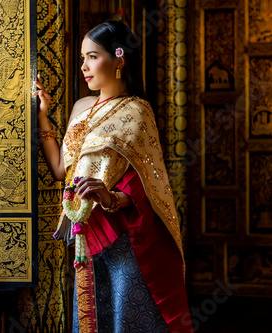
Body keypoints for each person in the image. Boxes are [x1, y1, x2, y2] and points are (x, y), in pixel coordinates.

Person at [33, 21, 193, 333]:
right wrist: (42, 115)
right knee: (95, 317)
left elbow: (150, 185)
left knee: (125, 320)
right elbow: (60, 170)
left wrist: (106, 197)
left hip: (122, 237)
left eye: (92, 57)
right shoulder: (81, 107)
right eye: (82, 58)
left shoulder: (137, 111)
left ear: (119, 58)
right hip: (85, 235)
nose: (84, 66)